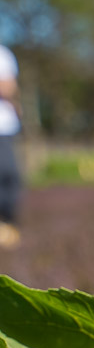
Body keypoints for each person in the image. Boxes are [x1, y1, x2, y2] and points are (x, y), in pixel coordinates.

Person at [0, 44, 20, 249]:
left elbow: (8, 87)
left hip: (3, 128)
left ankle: (7, 227)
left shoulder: (2, 54)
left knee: (8, 176)